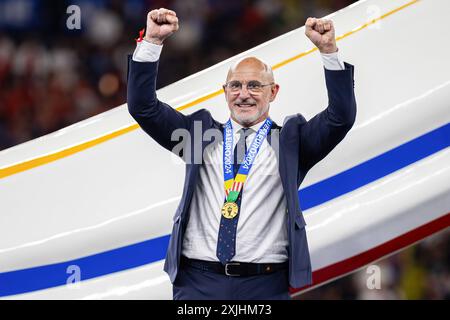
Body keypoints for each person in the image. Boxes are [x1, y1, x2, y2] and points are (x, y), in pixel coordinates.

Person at [127, 8, 356, 300]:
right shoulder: (197, 135)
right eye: (235, 85)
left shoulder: (292, 142)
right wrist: (152, 43)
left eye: (254, 86)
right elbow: (142, 106)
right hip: (198, 284)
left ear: (273, 92)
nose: (244, 94)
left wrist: (328, 51)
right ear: (225, 92)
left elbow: (341, 117)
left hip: (264, 287)